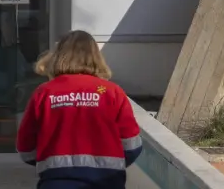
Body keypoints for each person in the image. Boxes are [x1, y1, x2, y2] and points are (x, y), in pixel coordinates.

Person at [16, 30, 143, 189]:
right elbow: (132, 146)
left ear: (58, 55)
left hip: (55, 183)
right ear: (96, 57)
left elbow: (25, 147)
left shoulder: (45, 93)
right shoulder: (109, 92)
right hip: (107, 183)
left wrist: (49, 162)